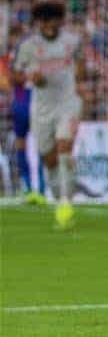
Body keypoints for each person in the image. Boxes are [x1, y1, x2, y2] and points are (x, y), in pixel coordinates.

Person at [10, 0, 84, 229]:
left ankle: (65, 203)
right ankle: (60, 195)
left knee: (64, 146)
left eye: (52, 20)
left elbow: (81, 64)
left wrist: (79, 78)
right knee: (49, 158)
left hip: (67, 102)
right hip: (41, 107)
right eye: (43, 21)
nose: (47, 25)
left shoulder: (72, 41)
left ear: (60, 21)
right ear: (38, 22)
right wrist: (30, 78)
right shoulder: (28, 46)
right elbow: (16, 75)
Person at [3, 24, 41, 204]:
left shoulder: (31, 55)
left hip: (36, 103)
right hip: (22, 104)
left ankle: (39, 187)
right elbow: (12, 77)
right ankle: (28, 185)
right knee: (21, 142)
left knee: (41, 144)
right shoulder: (18, 56)